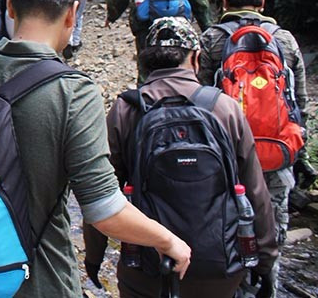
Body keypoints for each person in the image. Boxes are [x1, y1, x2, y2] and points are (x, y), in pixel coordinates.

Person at [0, 0, 192, 298]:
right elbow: (103, 210)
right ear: (72, 13)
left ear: (9, 5)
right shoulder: (73, 92)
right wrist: (167, 240)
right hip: (39, 281)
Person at [87, 17, 277, 298]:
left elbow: (102, 195)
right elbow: (256, 192)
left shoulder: (125, 111)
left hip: (147, 268)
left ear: (145, 61)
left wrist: (93, 257)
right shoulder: (224, 108)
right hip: (221, 267)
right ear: (196, 58)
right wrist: (265, 259)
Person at [198, 0, 312, 297]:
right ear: (262, 0)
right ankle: (268, 286)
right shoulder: (285, 40)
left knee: (228, 228)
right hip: (276, 156)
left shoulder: (213, 40)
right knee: (272, 230)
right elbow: (298, 104)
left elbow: (201, 101)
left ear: (222, 2)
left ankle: (235, 288)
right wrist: (299, 157)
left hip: (228, 157)